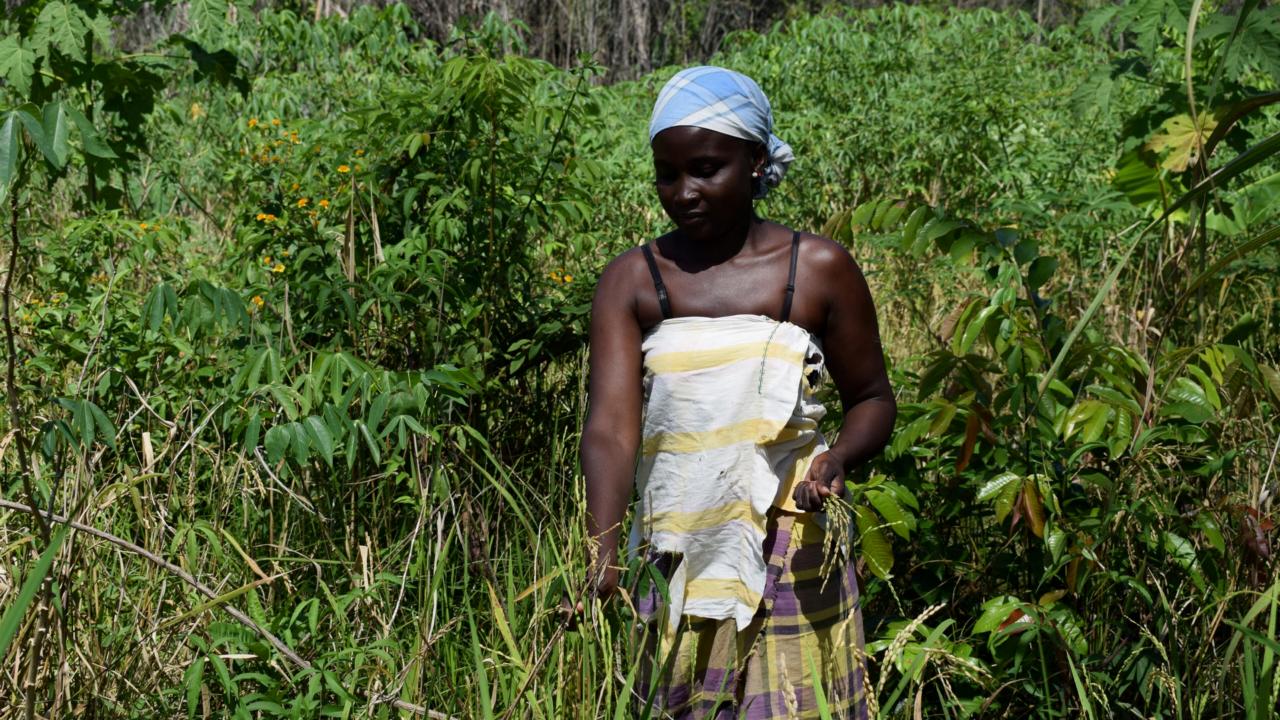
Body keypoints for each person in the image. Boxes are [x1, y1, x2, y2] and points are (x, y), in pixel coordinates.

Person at [574, 66, 896, 719]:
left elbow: (872, 398)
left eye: (706, 168)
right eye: (668, 173)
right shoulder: (634, 282)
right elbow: (611, 428)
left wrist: (836, 462)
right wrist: (603, 549)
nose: (683, 191)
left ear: (754, 160)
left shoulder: (818, 270)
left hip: (791, 544)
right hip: (678, 553)